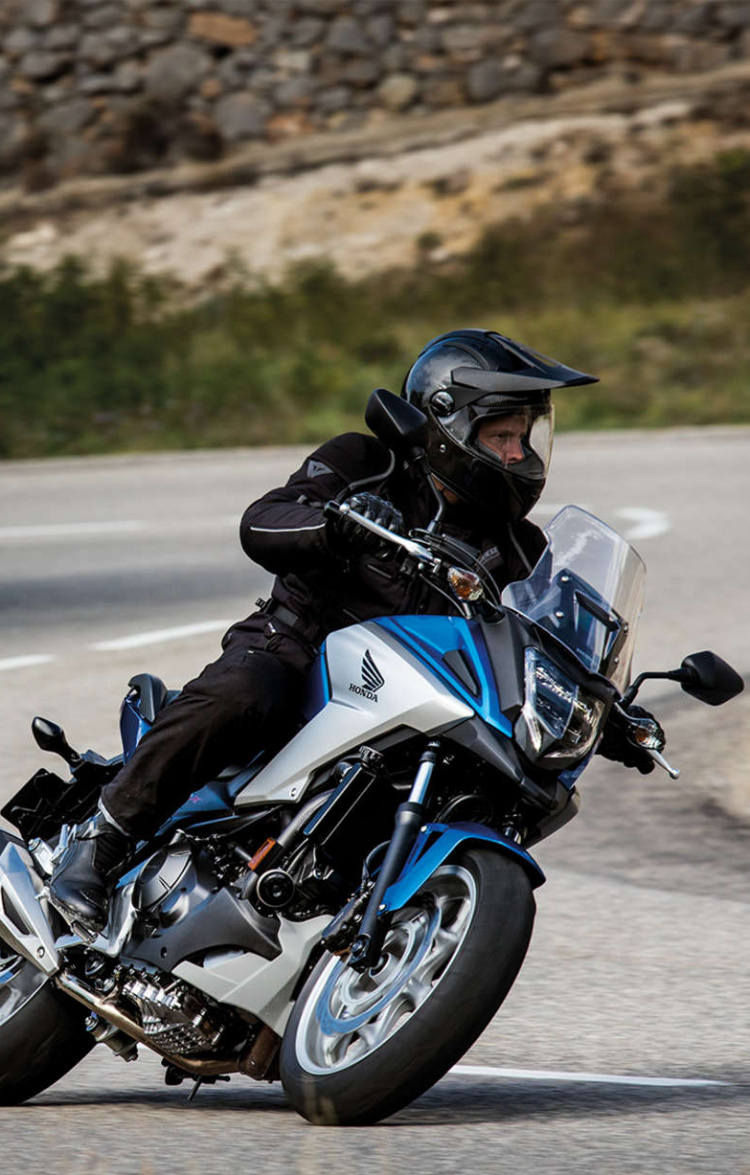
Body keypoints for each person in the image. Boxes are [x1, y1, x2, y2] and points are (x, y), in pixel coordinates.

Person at [48, 327, 629, 936]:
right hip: (300, 651)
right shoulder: (367, 464)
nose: (516, 454)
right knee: (249, 691)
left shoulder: (520, 547)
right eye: (501, 436)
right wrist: (335, 525)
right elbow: (262, 522)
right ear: (450, 425)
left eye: (524, 436)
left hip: (415, 695)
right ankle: (99, 843)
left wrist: (607, 712)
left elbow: (547, 640)